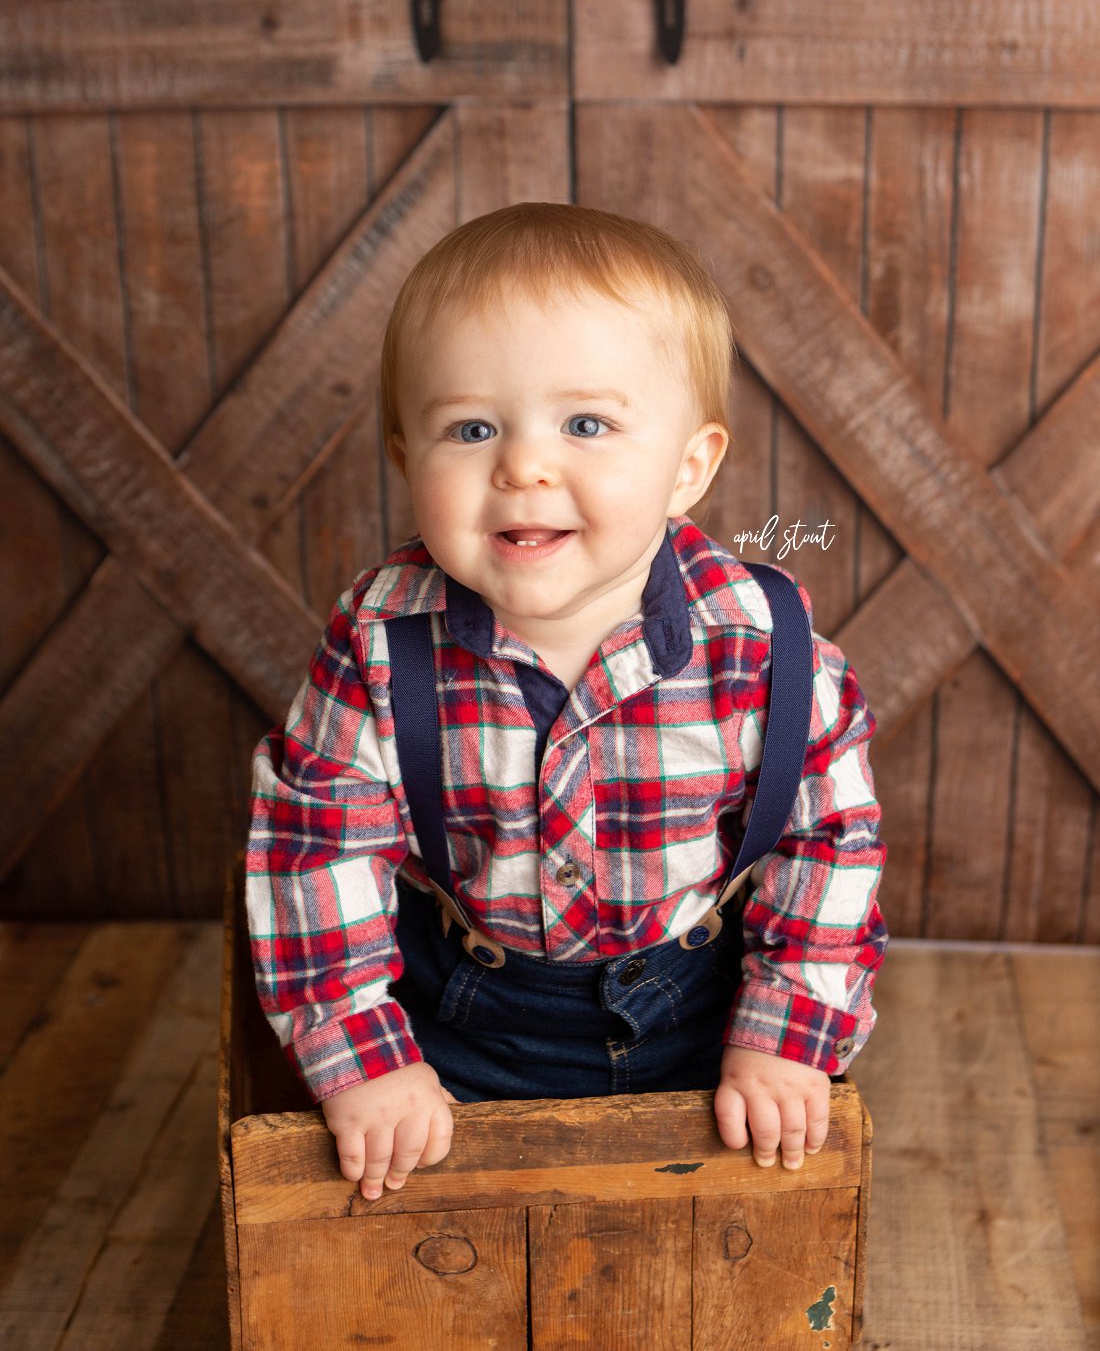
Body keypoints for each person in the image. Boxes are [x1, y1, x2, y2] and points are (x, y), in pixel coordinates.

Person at [246, 201, 887, 1207]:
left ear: (687, 466)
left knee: (708, 1233)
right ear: (408, 457)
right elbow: (316, 846)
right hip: (457, 1022)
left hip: (707, 1016)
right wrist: (366, 1058)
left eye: (584, 424)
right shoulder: (382, 638)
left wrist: (786, 1033)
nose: (523, 466)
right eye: (471, 428)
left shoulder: (764, 642)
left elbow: (830, 840)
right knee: (447, 1234)